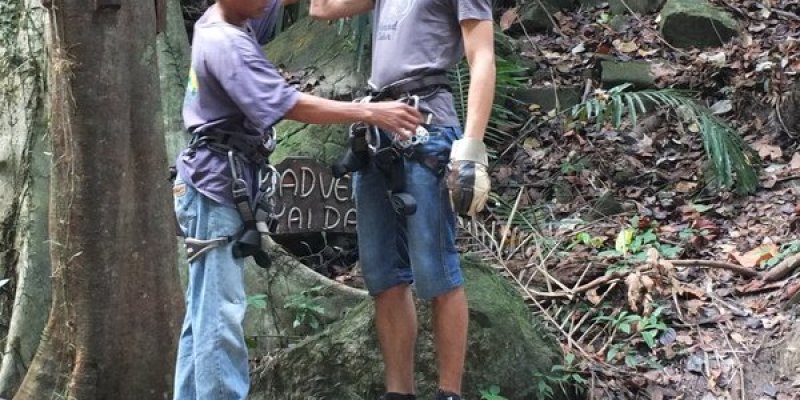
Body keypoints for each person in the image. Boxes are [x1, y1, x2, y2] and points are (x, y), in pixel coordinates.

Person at [171, 0, 421, 398]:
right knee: (219, 318)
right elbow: (291, 105)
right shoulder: (225, 42)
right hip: (215, 189)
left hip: (215, 184)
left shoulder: (230, 15)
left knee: (203, 316)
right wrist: (372, 113)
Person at [307, 1, 495, 399]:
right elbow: (322, 8)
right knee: (383, 276)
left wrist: (471, 148)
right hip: (377, 126)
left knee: (435, 271)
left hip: (427, 126)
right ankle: (399, 393)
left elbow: (482, 55)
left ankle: (449, 393)